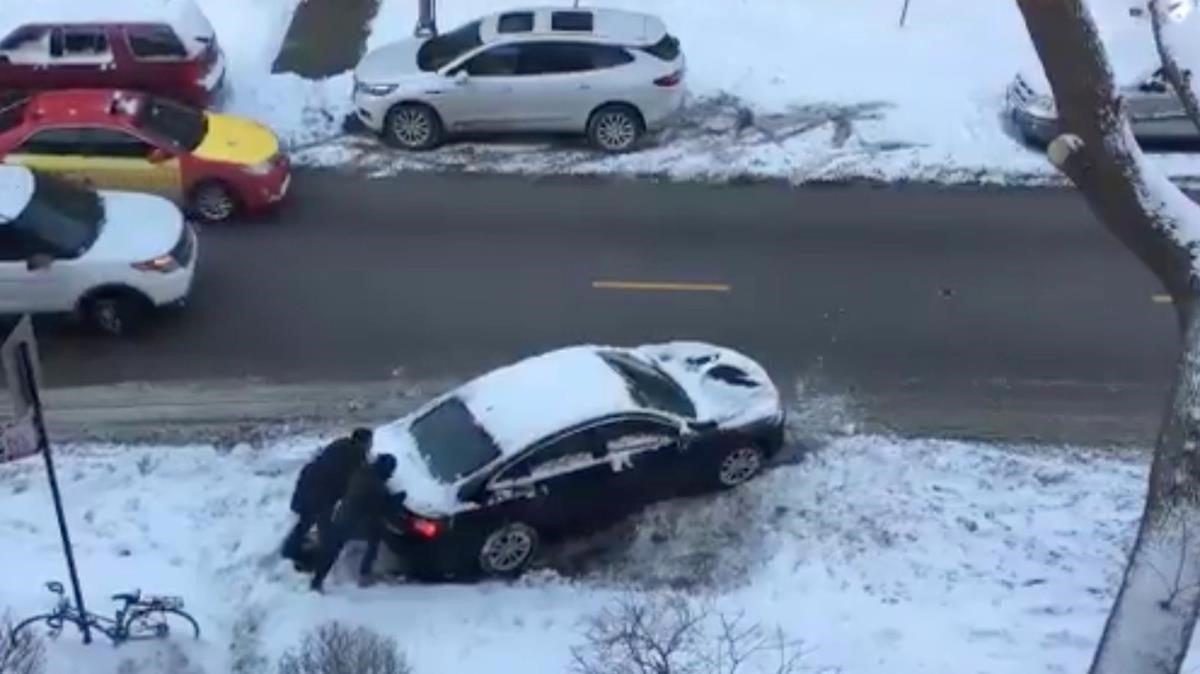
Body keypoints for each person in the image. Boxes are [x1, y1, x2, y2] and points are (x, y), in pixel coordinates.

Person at [309, 453, 404, 592]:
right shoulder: (373, 483)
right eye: (390, 471)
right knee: (334, 549)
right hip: (350, 519)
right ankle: (318, 581)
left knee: (372, 538)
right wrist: (397, 500)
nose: (391, 475)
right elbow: (383, 504)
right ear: (385, 468)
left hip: (351, 515)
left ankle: (362, 573)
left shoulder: (364, 473)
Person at [281, 428, 373, 569]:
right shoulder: (356, 454)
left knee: (307, 520)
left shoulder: (341, 444)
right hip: (321, 492)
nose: (371, 446)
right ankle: (315, 562)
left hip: (310, 480)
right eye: (370, 442)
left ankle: (290, 551)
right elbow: (353, 477)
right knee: (323, 527)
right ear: (364, 442)